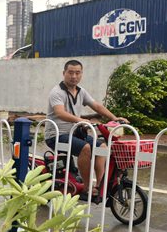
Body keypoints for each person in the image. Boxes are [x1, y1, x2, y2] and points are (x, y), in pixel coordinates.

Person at [46, 60, 128, 202]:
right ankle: (87, 188)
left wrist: (115, 118)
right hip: (57, 135)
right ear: (64, 73)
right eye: (70, 72)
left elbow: (96, 106)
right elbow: (60, 113)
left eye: (77, 73)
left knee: (102, 147)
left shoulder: (81, 91)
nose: (74, 76)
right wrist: (80, 120)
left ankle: (101, 185)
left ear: (81, 74)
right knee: (86, 148)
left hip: (75, 133)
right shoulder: (57, 92)